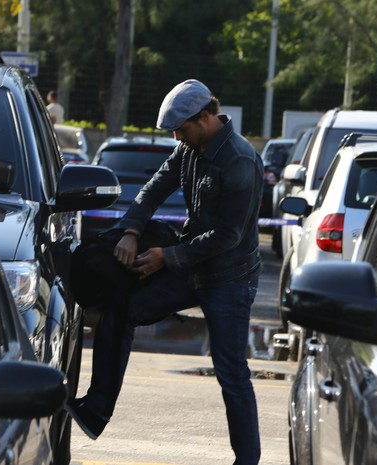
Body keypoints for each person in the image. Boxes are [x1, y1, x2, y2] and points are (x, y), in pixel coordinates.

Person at [68, 79, 264, 465]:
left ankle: (247, 461)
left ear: (205, 117)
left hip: (229, 278)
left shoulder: (240, 160)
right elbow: (153, 190)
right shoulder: (189, 148)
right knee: (121, 310)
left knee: (231, 372)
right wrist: (130, 230)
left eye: (181, 129)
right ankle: (95, 409)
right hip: (190, 267)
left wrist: (166, 257)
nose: (177, 137)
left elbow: (228, 235)